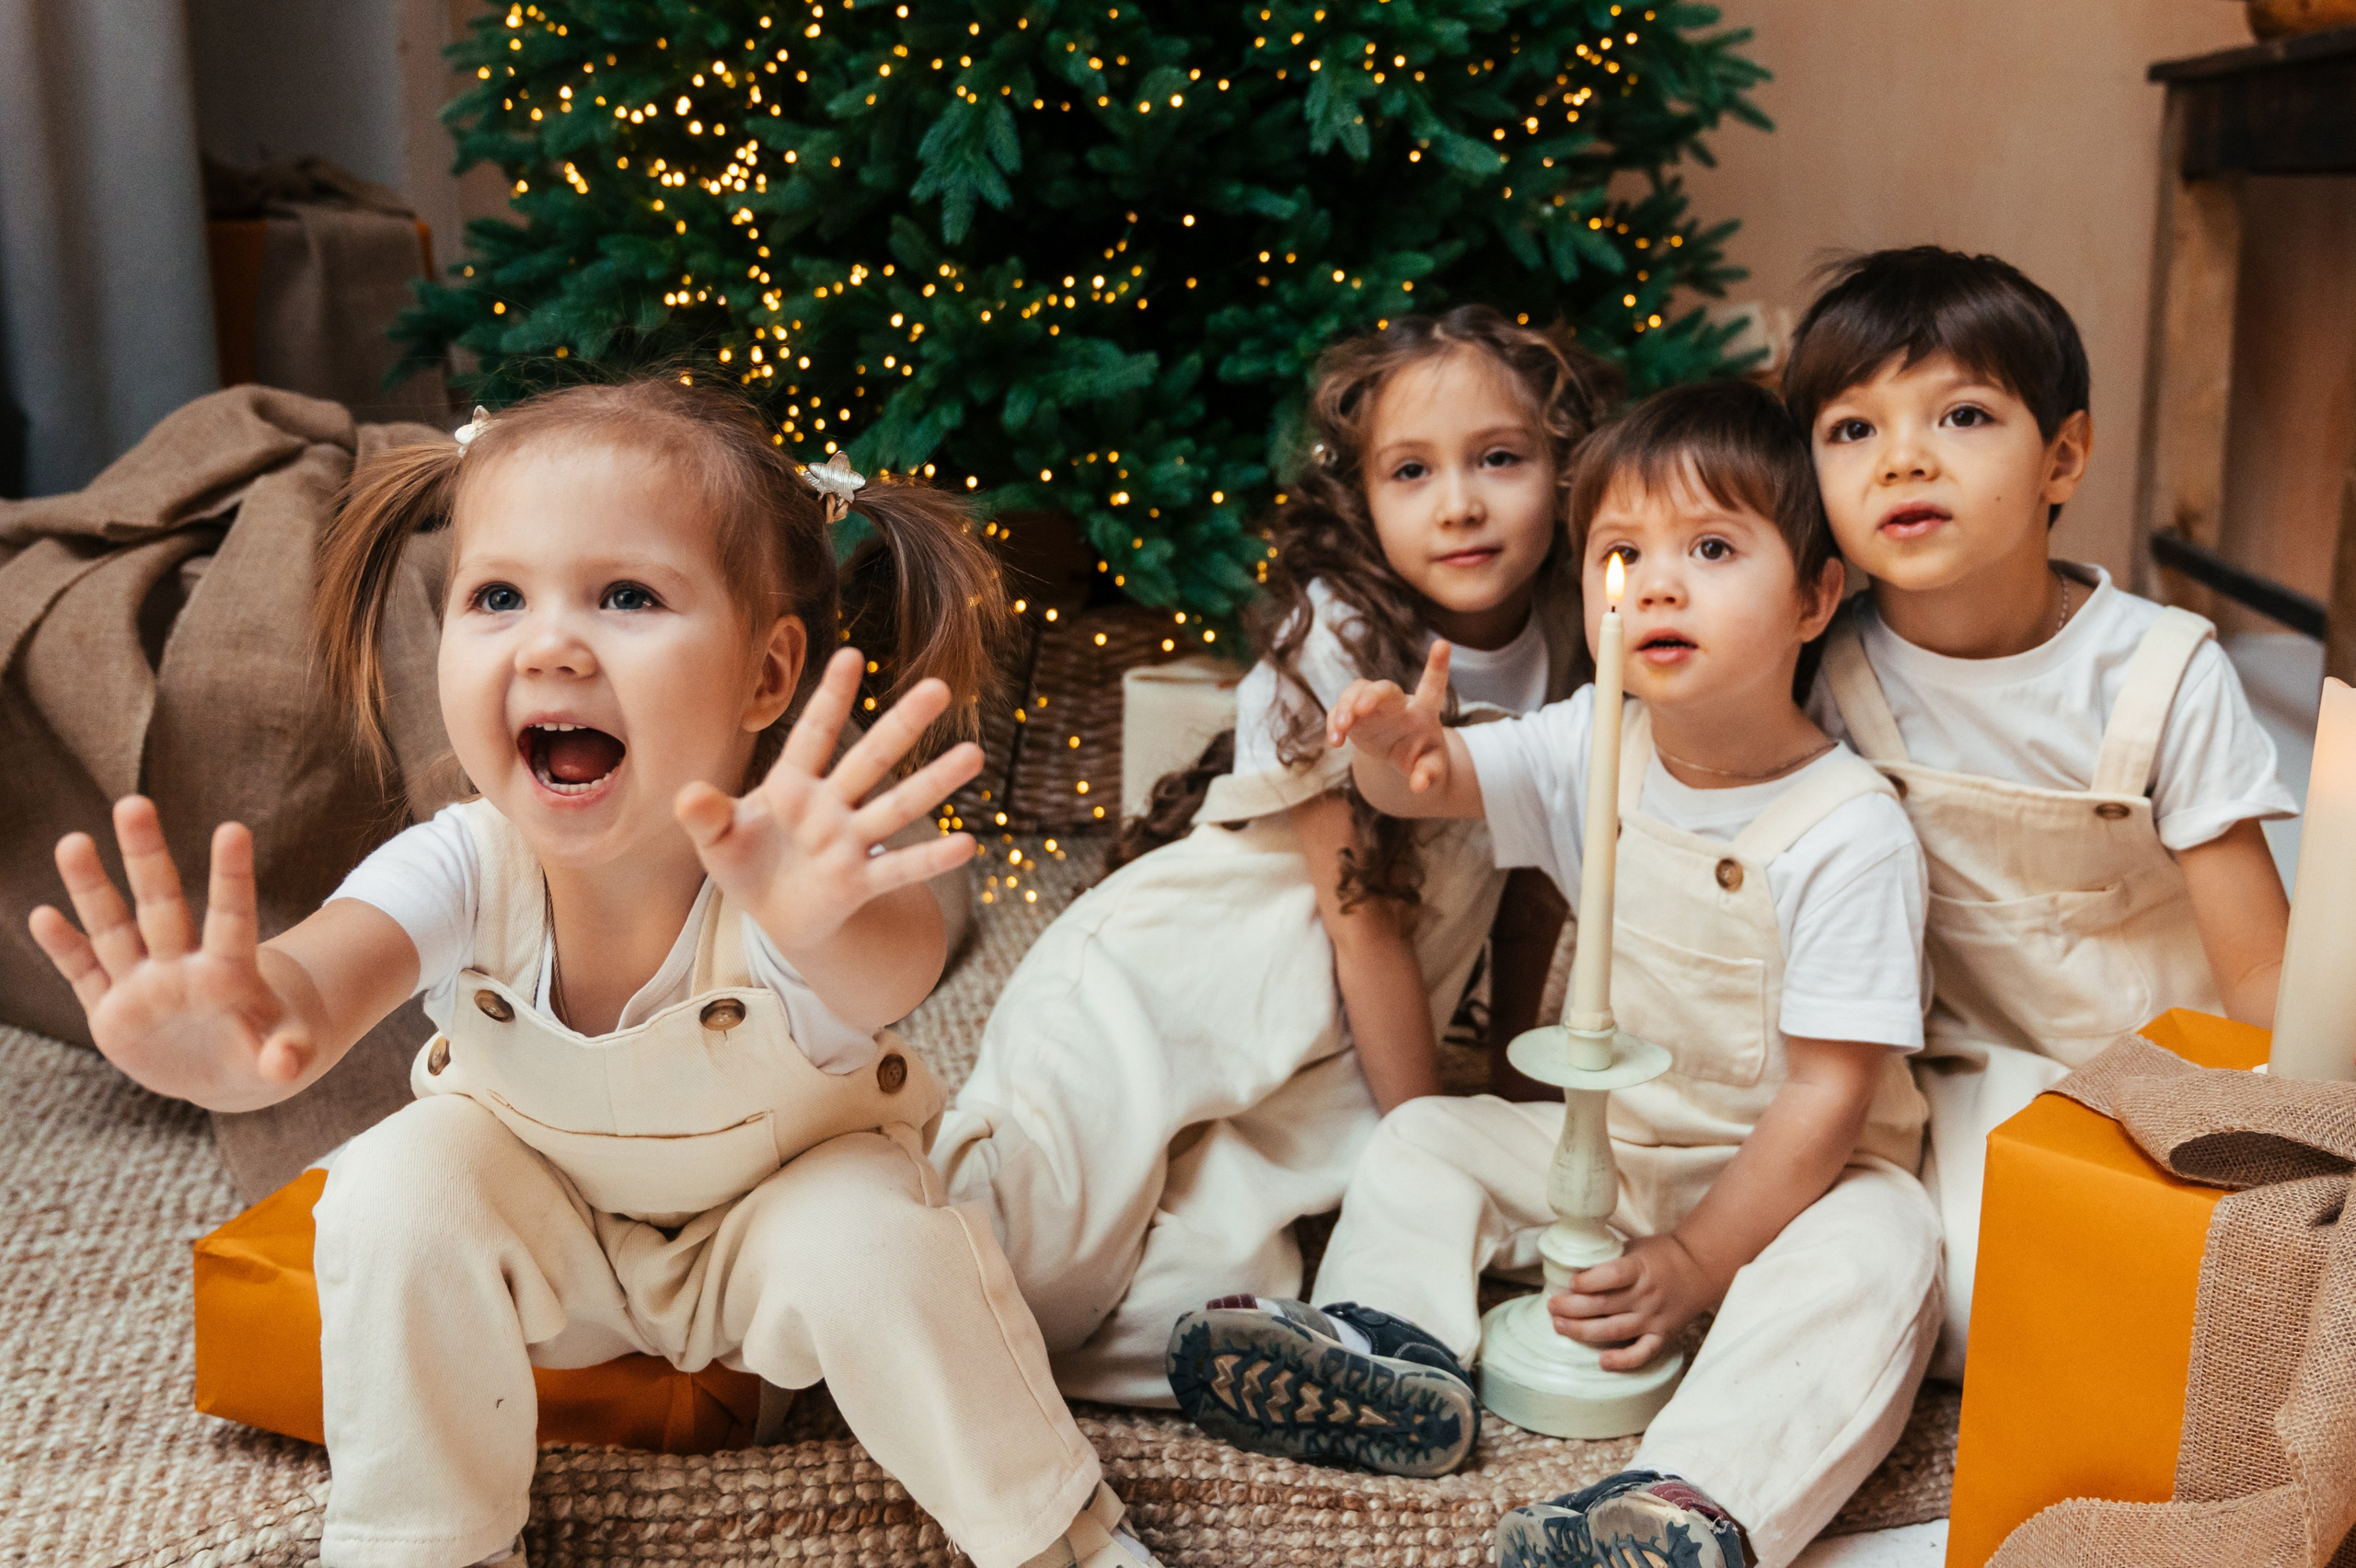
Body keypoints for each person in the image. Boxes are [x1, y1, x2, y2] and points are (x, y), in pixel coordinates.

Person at [29, 379, 1159, 1568]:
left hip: (762, 1263)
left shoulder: (785, 869)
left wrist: (823, 916)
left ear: (768, 678)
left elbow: (895, 974)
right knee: (391, 1181)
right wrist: (237, 1030)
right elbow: (308, 996)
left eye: (626, 596)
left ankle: (1054, 1537)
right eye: (498, 596)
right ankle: (429, 1544)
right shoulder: (466, 857)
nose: (551, 642)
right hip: (546, 1250)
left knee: (881, 1236)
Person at [1172, 382, 1941, 1568]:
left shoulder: (1848, 831)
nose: (1662, 583)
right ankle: (1388, 1352)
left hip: (1800, 1182)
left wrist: (1693, 1265)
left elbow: (1826, 1100)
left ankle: (1687, 1502)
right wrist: (1395, 754)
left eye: (1715, 548)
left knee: (1886, 1254)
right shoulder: (1593, 738)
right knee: (1427, 1136)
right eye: (1623, 553)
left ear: (1813, 597)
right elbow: (1434, 785)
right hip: (1617, 1150)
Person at [932, 307, 1619, 1406]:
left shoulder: (1582, 639)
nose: (1460, 503)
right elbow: (1366, 923)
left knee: (1215, 1285)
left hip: (1319, 1066)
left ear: (1564, 468)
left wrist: (1501, 1113)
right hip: (1165, 991)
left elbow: (1529, 897)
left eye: (1500, 458)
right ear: (1359, 498)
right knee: (1021, 1265)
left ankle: (1248, 1372)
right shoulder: (1334, 636)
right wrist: (1425, 1147)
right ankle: (776, 1320)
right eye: (1410, 471)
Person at [1785, 247, 2297, 1376]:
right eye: (1851, 430)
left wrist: (2291, 1129)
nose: (1902, 460)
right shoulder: (1826, 670)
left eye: (1962, 415)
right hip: (1965, 1068)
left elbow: (2259, 975)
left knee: (2236, 1298)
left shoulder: (2159, 673)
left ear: (2062, 456)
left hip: (2169, 1060)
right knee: (1945, 1304)